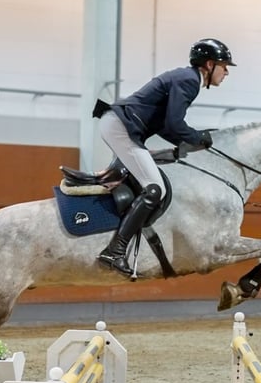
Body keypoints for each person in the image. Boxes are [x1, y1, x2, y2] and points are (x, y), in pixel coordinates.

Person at [95, 38, 236, 277]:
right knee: (154, 189)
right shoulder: (190, 81)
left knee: (152, 177)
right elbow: (175, 124)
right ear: (210, 64)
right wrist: (198, 136)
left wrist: (191, 144)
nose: (226, 73)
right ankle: (115, 251)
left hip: (119, 125)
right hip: (121, 127)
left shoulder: (186, 78)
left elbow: (165, 127)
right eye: (224, 66)